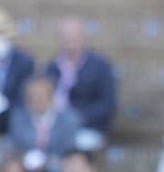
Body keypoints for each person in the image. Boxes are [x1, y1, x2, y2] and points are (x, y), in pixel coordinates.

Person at [5, 73, 78, 172]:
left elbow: (69, 150)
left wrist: (47, 161)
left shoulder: (68, 119)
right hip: (25, 162)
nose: (35, 100)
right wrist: (26, 158)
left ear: (51, 97)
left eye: (39, 95)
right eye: (31, 96)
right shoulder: (18, 117)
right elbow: (14, 145)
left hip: (55, 163)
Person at [44, 16, 117, 152]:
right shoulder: (52, 68)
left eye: (74, 37)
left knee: (73, 144)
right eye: (65, 37)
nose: (70, 42)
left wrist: (75, 119)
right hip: (54, 127)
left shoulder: (100, 66)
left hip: (87, 127)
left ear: (83, 38)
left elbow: (108, 105)